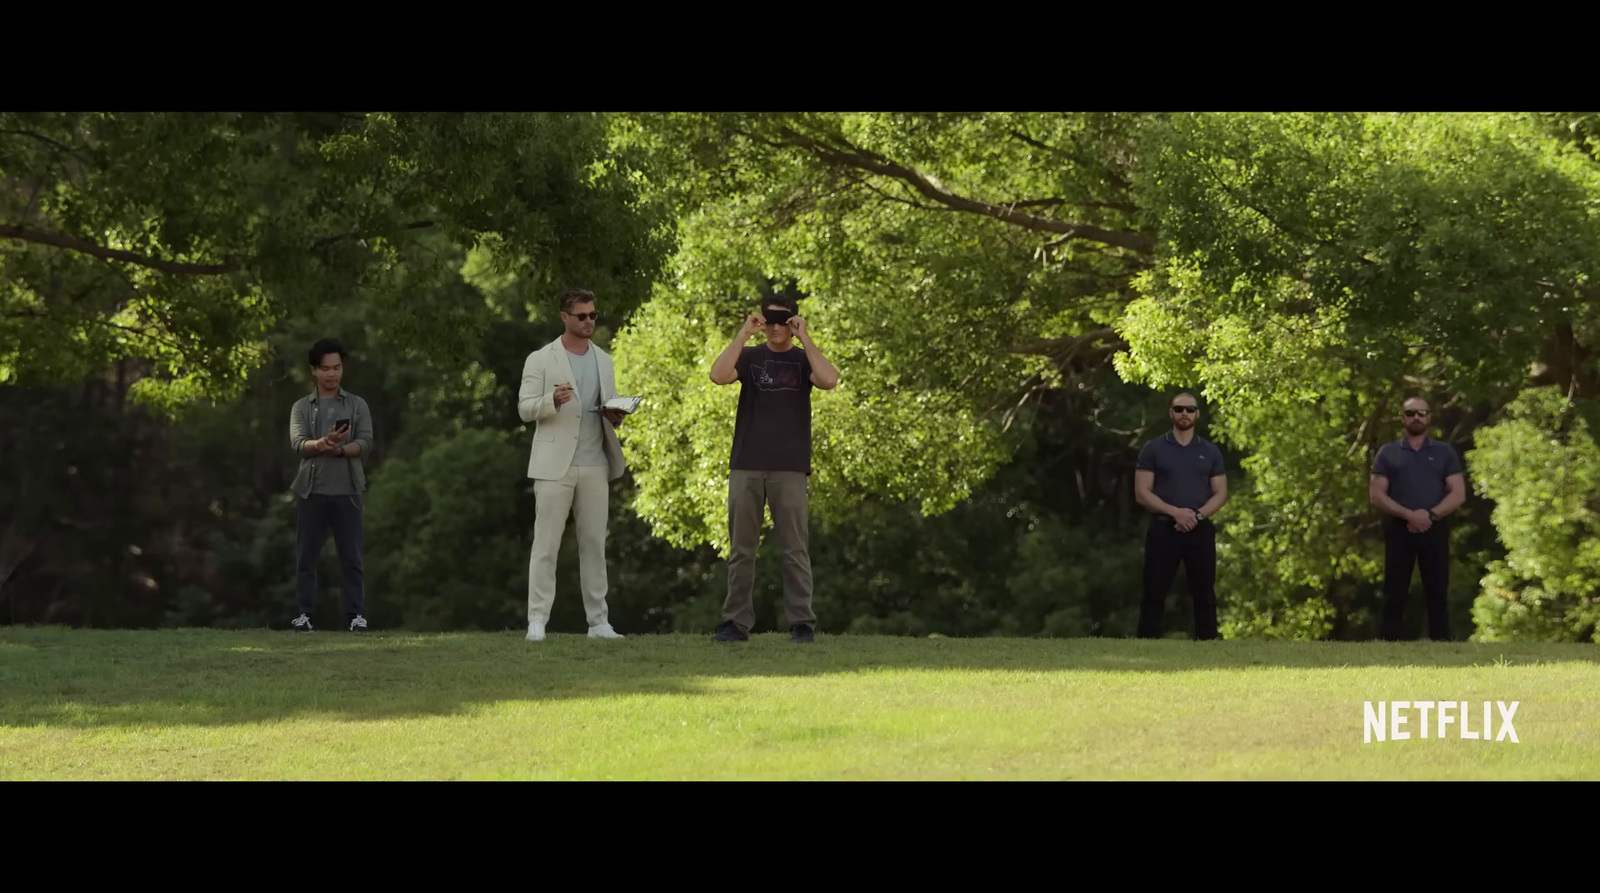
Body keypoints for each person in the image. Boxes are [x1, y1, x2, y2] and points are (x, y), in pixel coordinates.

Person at [706, 295, 839, 643]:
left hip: (790, 467)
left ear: (793, 323)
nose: (777, 328)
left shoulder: (801, 359)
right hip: (746, 465)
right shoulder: (750, 358)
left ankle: (802, 623)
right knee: (741, 550)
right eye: (771, 321)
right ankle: (735, 622)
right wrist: (744, 334)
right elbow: (718, 375)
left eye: (784, 321)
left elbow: (829, 380)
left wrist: (806, 338)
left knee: (795, 548)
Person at [518, 288, 629, 642]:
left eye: (593, 315)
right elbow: (524, 409)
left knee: (594, 544)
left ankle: (598, 622)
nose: (589, 322)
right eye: (582, 316)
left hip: (596, 462)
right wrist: (550, 400)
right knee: (546, 545)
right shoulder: (541, 358)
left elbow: (605, 409)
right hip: (554, 465)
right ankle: (537, 620)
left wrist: (616, 415)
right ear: (564, 317)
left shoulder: (605, 360)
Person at [286, 338, 375, 632]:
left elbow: (364, 442)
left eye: (337, 368)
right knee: (307, 557)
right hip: (312, 491)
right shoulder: (301, 407)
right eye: (325, 369)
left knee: (351, 558)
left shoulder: (357, 404)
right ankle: (305, 614)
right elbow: (299, 444)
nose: (332, 374)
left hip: (347, 491)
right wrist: (323, 443)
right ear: (314, 370)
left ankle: (355, 616)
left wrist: (337, 449)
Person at [1369, 397, 1466, 641]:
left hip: (1435, 529)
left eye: (1421, 413)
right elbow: (1377, 495)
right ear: (1402, 418)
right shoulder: (1387, 453)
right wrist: (1409, 515)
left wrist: (1430, 516)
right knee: (1394, 591)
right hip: (1399, 529)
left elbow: (1458, 493)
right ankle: (1388, 646)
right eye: (1410, 413)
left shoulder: (1444, 453)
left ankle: (1442, 646)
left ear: (1429, 417)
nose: (1416, 417)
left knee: (1437, 591)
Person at [1133, 392, 1228, 640]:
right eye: (1178, 409)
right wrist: (1176, 513)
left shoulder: (1210, 451)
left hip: (1200, 529)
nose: (1184, 413)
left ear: (1197, 414)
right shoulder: (1153, 449)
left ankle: (1208, 645)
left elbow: (1220, 494)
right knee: (1154, 591)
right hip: (1164, 529)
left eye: (1189, 409)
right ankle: (1146, 644)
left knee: (1205, 592)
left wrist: (1195, 516)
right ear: (1171, 413)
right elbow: (1142, 493)